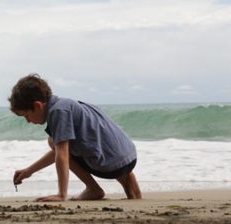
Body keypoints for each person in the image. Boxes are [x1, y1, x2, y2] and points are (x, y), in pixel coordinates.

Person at [9, 74, 142, 201]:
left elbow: (62, 154)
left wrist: (61, 195)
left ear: (38, 105)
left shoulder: (58, 112)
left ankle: (93, 188)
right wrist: (29, 171)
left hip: (109, 165)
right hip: (128, 158)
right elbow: (61, 152)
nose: (28, 121)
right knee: (59, 142)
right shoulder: (68, 105)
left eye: (26, 115)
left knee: (52, 141)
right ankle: (131, 188)